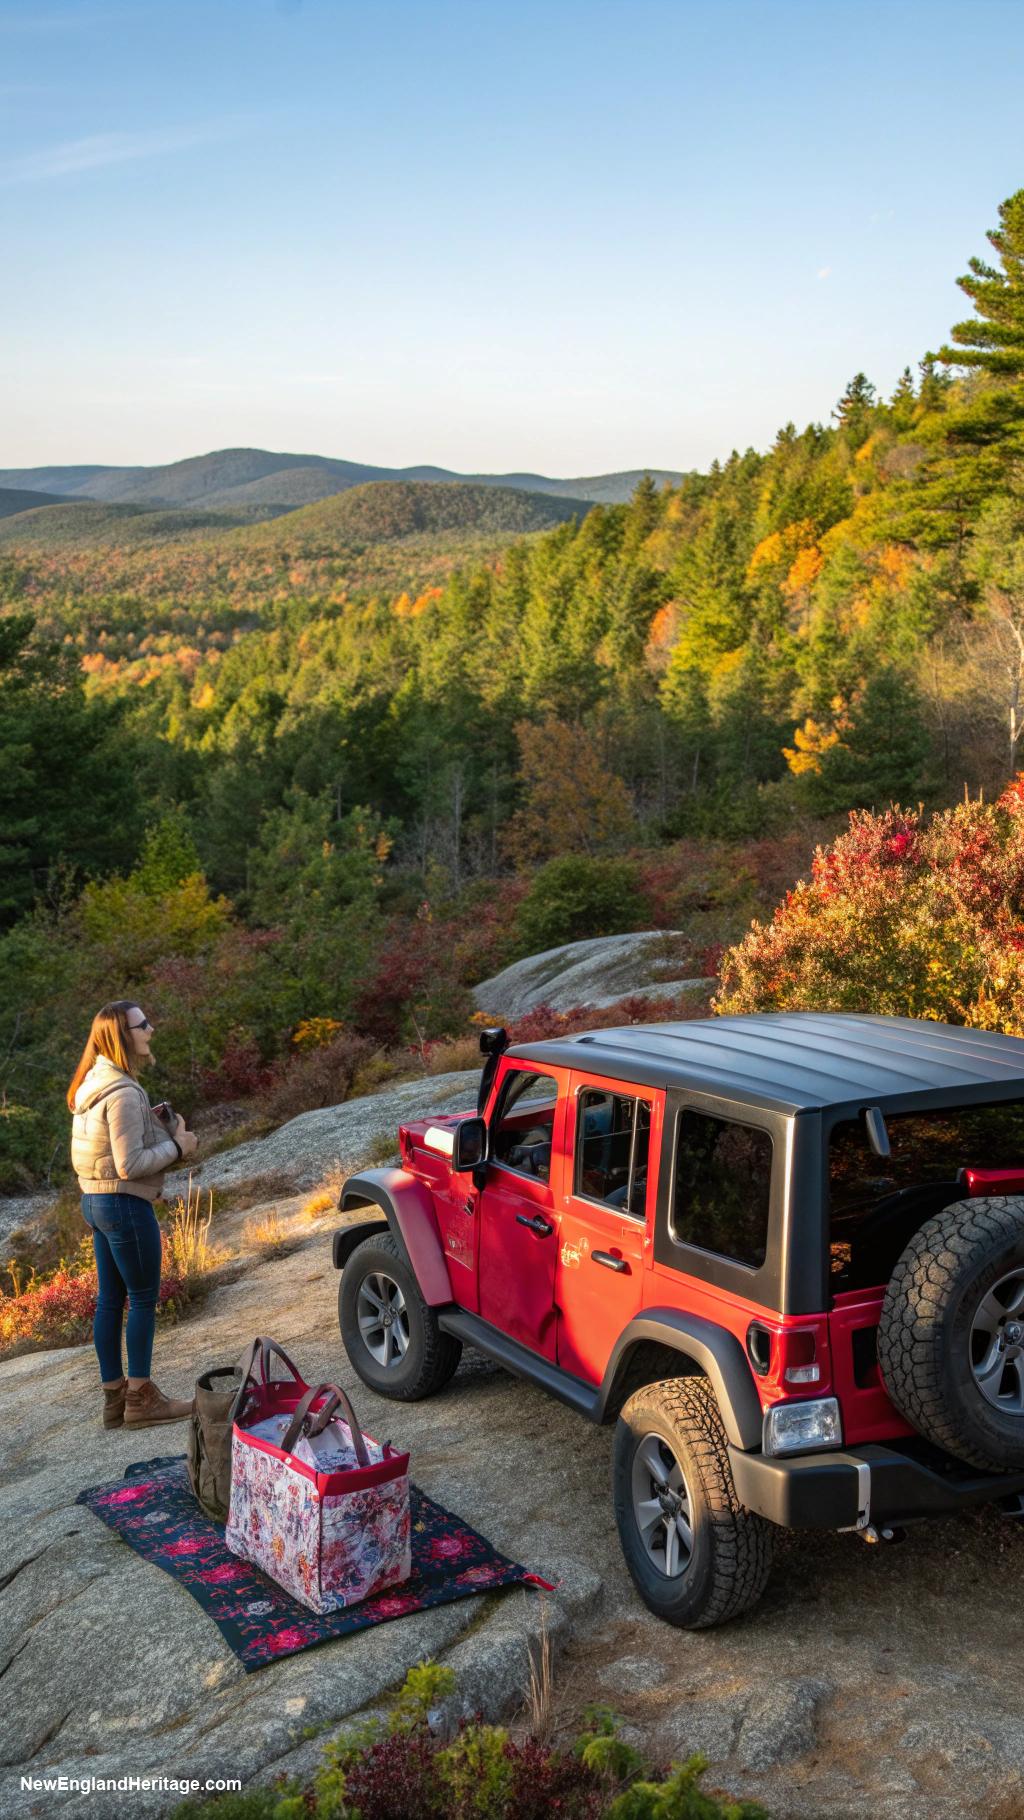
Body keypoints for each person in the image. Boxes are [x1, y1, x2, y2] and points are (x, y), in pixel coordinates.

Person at [68, 1000, 199, 1430]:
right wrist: (180, 1146)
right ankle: (142, 1400)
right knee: (141, 1299)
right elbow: (130, 1164)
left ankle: (114, 1399)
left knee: (110, 1300)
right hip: (124, 1203)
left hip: (96, 1201)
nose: (151, 1029)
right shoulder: (123, 1092)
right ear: (123, 1036)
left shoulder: (91, 1083)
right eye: (143, 1025)